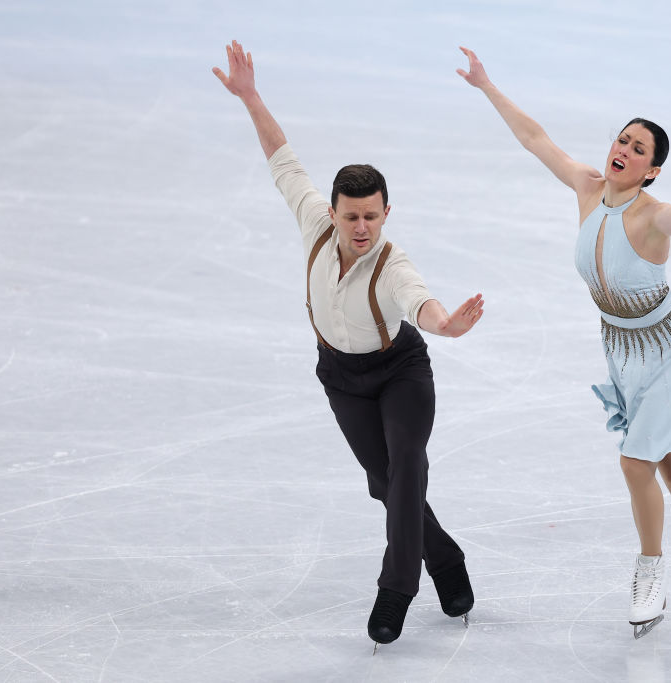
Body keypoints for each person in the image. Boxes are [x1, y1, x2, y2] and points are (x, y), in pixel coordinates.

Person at [456, 47, 671, 637]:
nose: (623, 150)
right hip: (624, 353)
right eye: (622, 140)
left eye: (638, 149)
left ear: (651, 170)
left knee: (634, 461)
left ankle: (651, 572)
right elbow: (535, 139)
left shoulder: (652, 215)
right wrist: (487, 86)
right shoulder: (587, 188)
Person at [213, 41, 482, 650]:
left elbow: (423, 304)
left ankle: (397, 589)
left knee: (407, 465)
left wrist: (448, 325)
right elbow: (282, 160)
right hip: (341, 378)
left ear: (387, 213)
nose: (362, 228)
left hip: (401, 374)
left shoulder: (392, 264)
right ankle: (445, 559)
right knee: (387, 485)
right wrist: (252, 97)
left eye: (373, 217)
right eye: (351, 216)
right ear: (333, 212)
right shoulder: (314, 223)